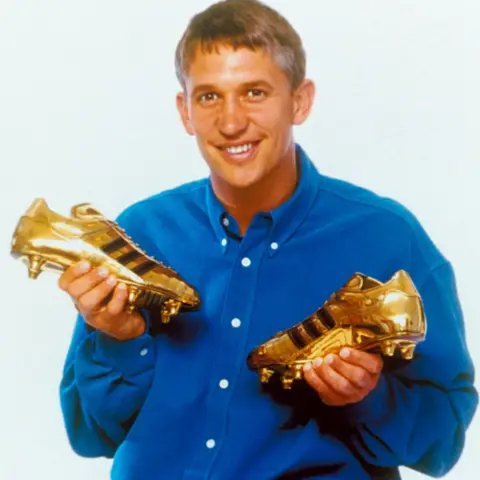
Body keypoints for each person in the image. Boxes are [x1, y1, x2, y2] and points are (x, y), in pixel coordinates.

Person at [58, 1, 478, 479]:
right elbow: (90, 436)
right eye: (210, 97)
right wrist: (117, 339)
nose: (231, 121)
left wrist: (369, 397)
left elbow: (443, 443)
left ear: (300, 100)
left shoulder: (387, 238)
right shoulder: (141, 234)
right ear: (185, 111)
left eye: (254, 92)